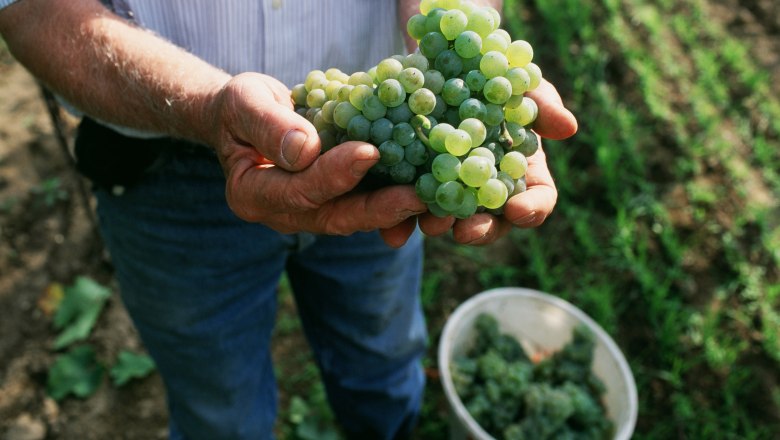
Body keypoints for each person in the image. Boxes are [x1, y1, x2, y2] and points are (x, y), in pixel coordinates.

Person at [0, 0, 577, 438]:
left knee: (382, 359)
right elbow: (32, 9)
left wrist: (460, 41)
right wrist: (208, 107)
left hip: (384, 152)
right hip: (164, 170)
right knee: (218, 409)